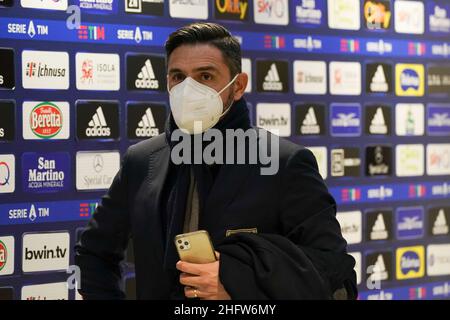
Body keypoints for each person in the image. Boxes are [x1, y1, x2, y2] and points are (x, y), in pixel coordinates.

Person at [75, 22, 357, 300]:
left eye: (205, 77)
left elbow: (334, 271)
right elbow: (94, 252)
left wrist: (241, 282)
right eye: (177, 77)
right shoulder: (141, 161)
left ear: (238, 86)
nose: (189, 89)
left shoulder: (285, 163)